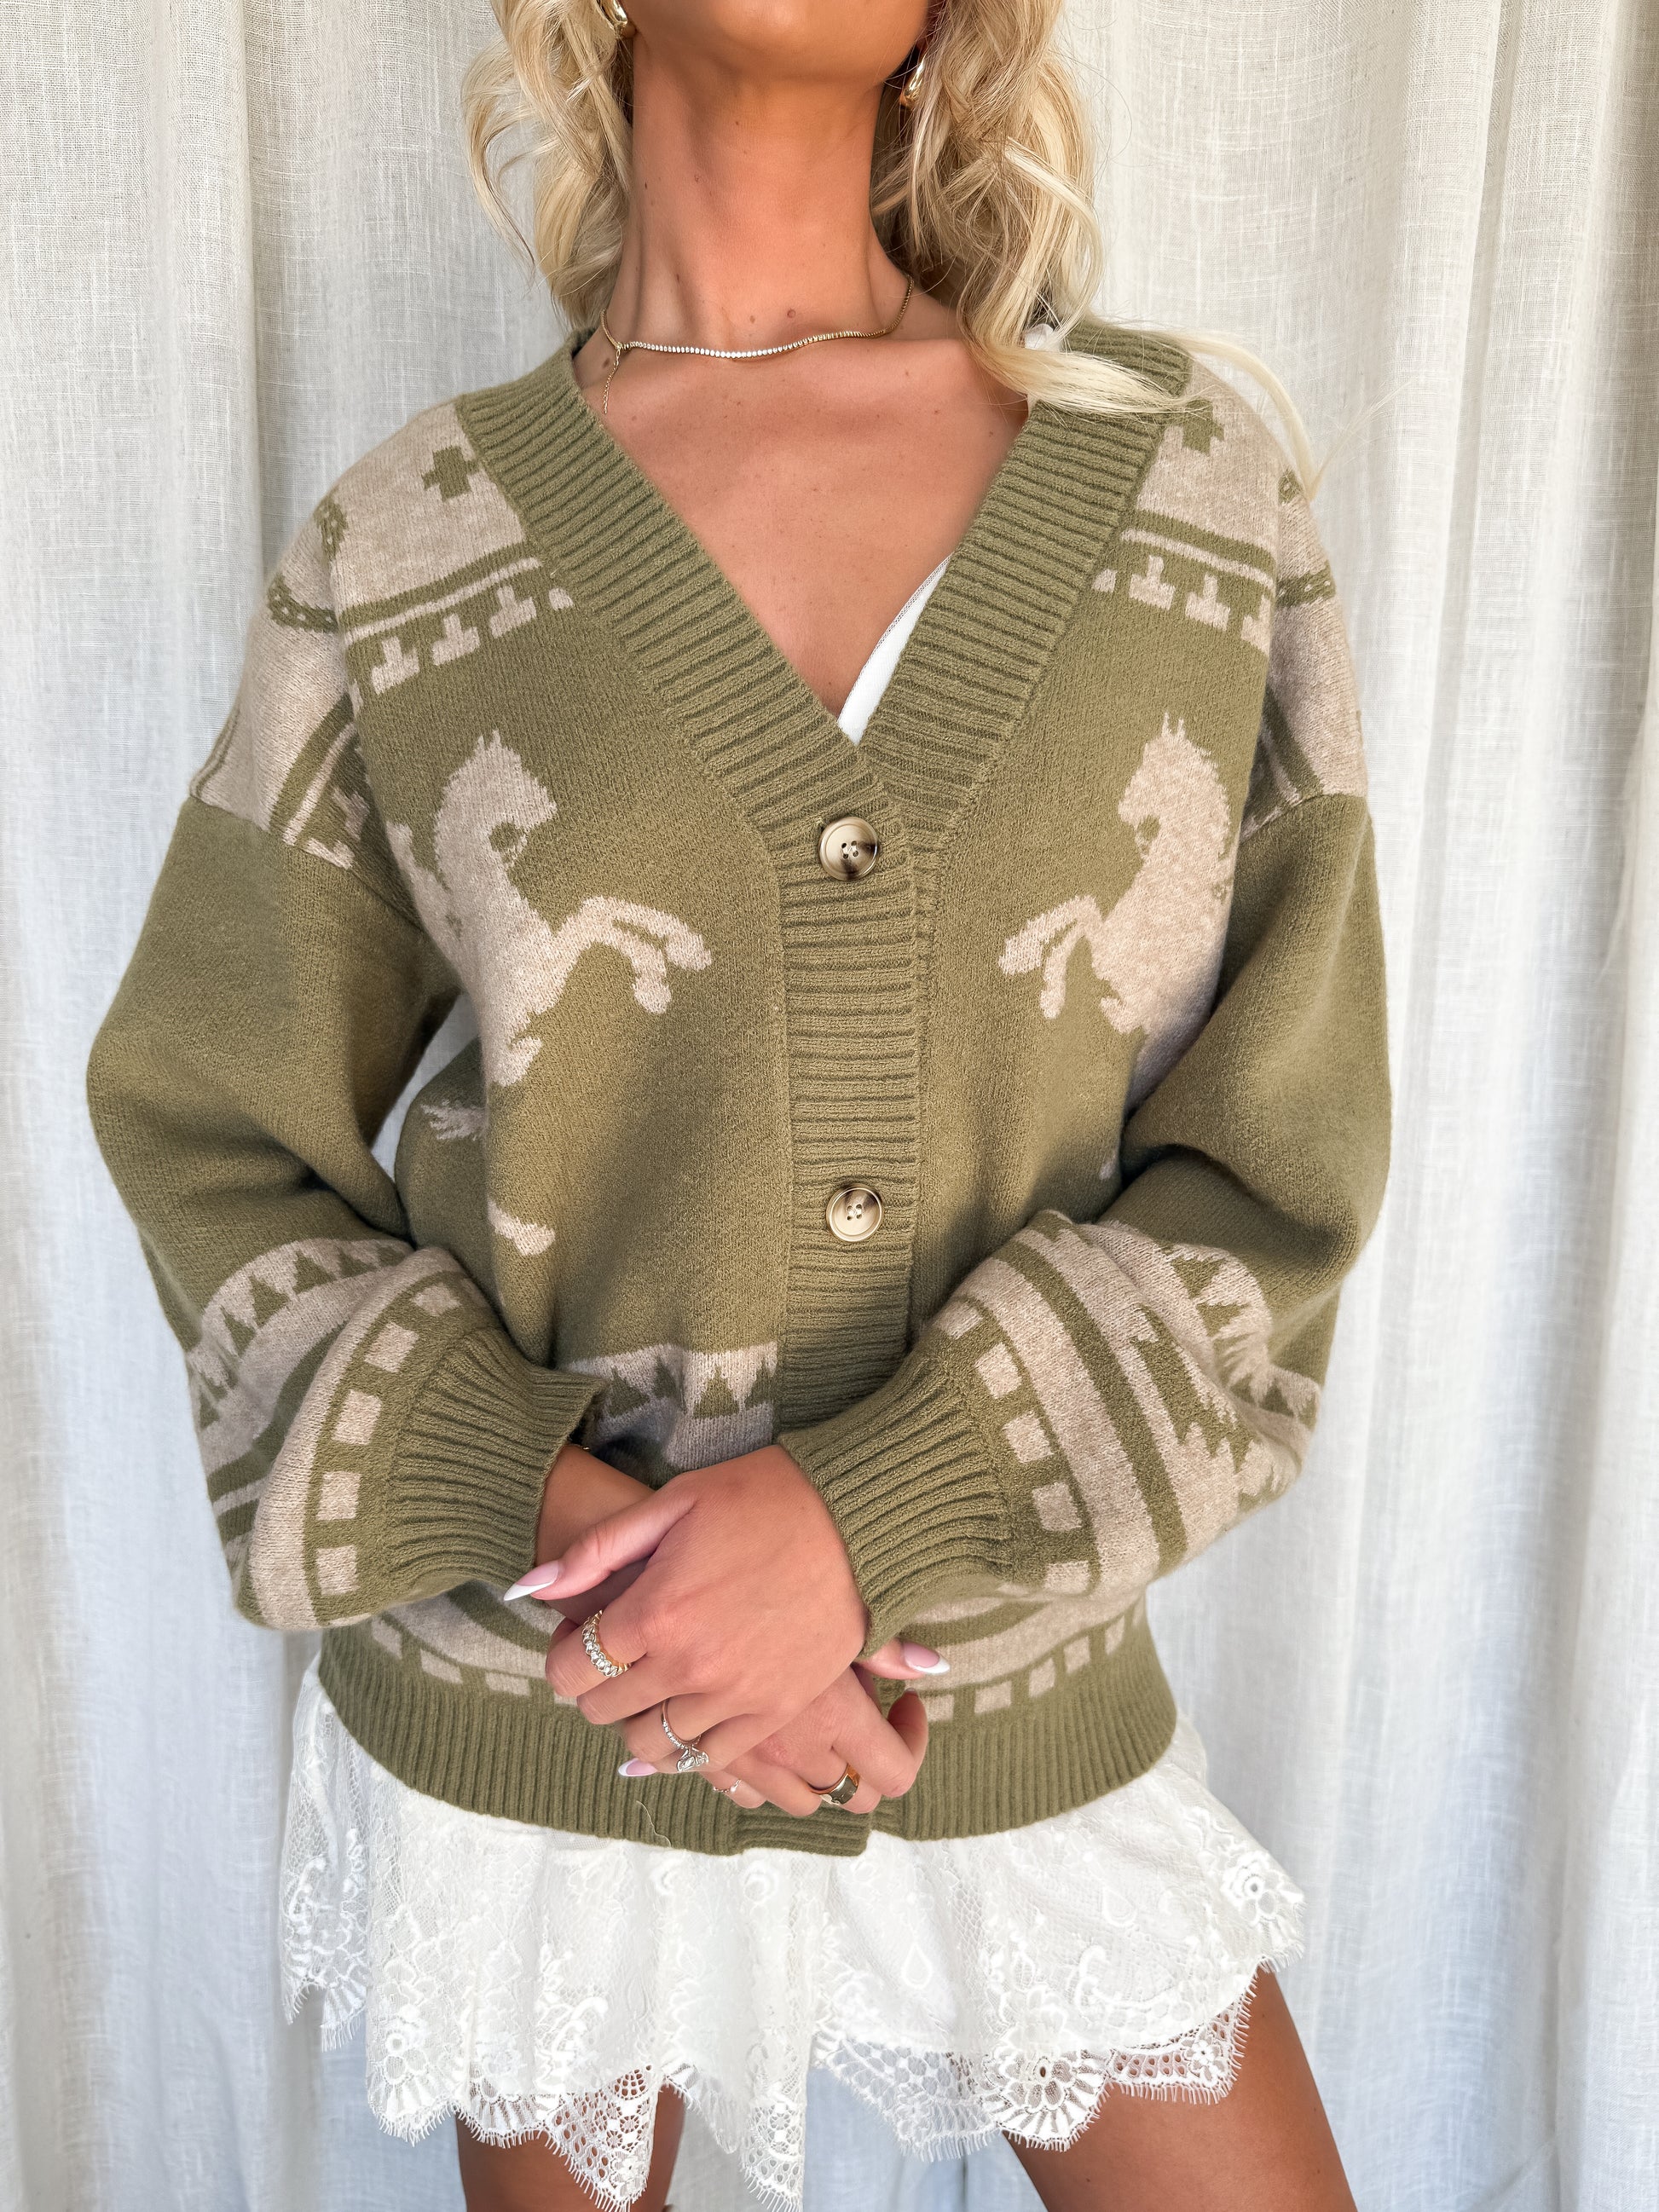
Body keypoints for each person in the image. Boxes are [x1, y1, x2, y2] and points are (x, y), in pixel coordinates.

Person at [84, 0, 1390, 2206]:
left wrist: (864, 1518)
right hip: (552, 1696)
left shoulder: (1187, 487)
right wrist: (560, 1515)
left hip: (994, 1678)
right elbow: (212, 1125)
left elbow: (1277, 1167)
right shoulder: (408, 548)